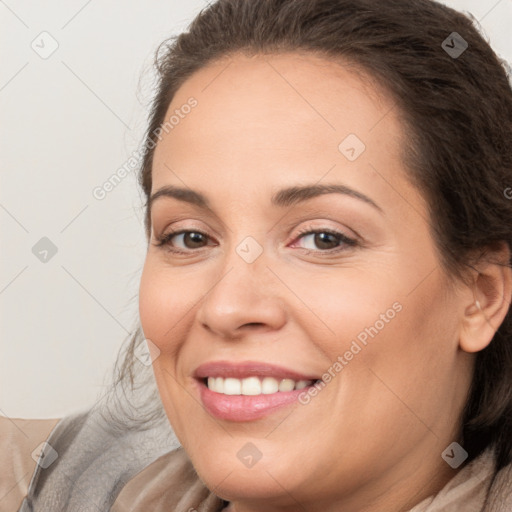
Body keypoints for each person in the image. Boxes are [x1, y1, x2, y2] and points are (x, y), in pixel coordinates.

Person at [2, 0, 512, 510]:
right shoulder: (54, 481)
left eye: (323, 238)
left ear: (481, 296)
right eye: (190, 237)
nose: (227, 307)